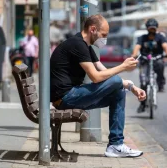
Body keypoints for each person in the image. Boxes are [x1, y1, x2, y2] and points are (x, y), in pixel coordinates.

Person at [50, 14, 146, 158]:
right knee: (115, 83)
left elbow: (104, 71)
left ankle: (116, 145)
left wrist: (132, 87)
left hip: (71, 96)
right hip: (65, 98)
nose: (105, 39)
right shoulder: (77, 44)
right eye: (104, 35)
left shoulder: (86, 46)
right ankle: (116, 145)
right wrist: (123, 67)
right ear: (93, 29)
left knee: (118, 92)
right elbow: (96, 77)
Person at [131, 18, 167, 113]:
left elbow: (165, 46)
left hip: (157, 59)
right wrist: (134, 54)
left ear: (156, 29)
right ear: (147, 29)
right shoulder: (142, 38)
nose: (152, 30)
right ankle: (142, 104)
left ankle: (161, 83)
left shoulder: (160, 37)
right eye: (150, 28)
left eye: (154, 29)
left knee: (161, 64)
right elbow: (137, 47)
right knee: (143, 82)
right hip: (145, 60)